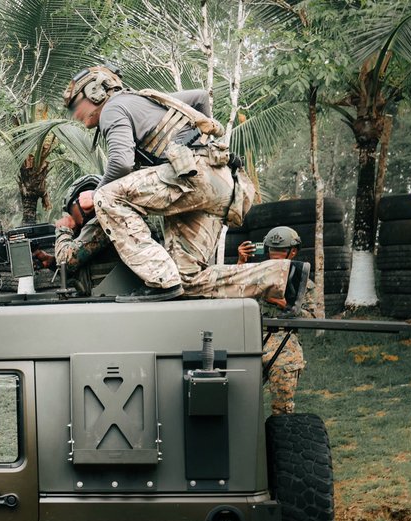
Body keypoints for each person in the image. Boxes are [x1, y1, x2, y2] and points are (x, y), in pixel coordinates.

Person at [62, 65, 309, 309]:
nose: (75, 114)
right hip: (220, 184)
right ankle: (282, 276)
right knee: (185, 280)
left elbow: (120, 162)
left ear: (95, 92)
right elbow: (201, 98)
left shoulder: (113, 108)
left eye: (75, 106)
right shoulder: (147, 101)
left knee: (107, 197)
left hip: (192, 177)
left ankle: (159, 278)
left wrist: (95, 195)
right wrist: (200, 143)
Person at [237, 226, 317, 414]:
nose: (275, 255)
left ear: (293, 252)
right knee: (236, 400)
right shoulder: (254, 274)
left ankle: (280, 438)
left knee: (282, 406)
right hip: (250, 339)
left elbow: (313, 318)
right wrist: (241, 262)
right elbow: (232, 296)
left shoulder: (302, 283)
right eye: (272, 250)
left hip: (284, 341)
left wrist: (285, 304)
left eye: (281, 251)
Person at [52, 173, 111, 291]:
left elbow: (66, 260)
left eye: (71, 210)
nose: (71, 216)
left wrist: (64, 229)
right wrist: (50, 263)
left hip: (109, 298)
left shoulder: (101, 223)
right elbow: (76, 264)